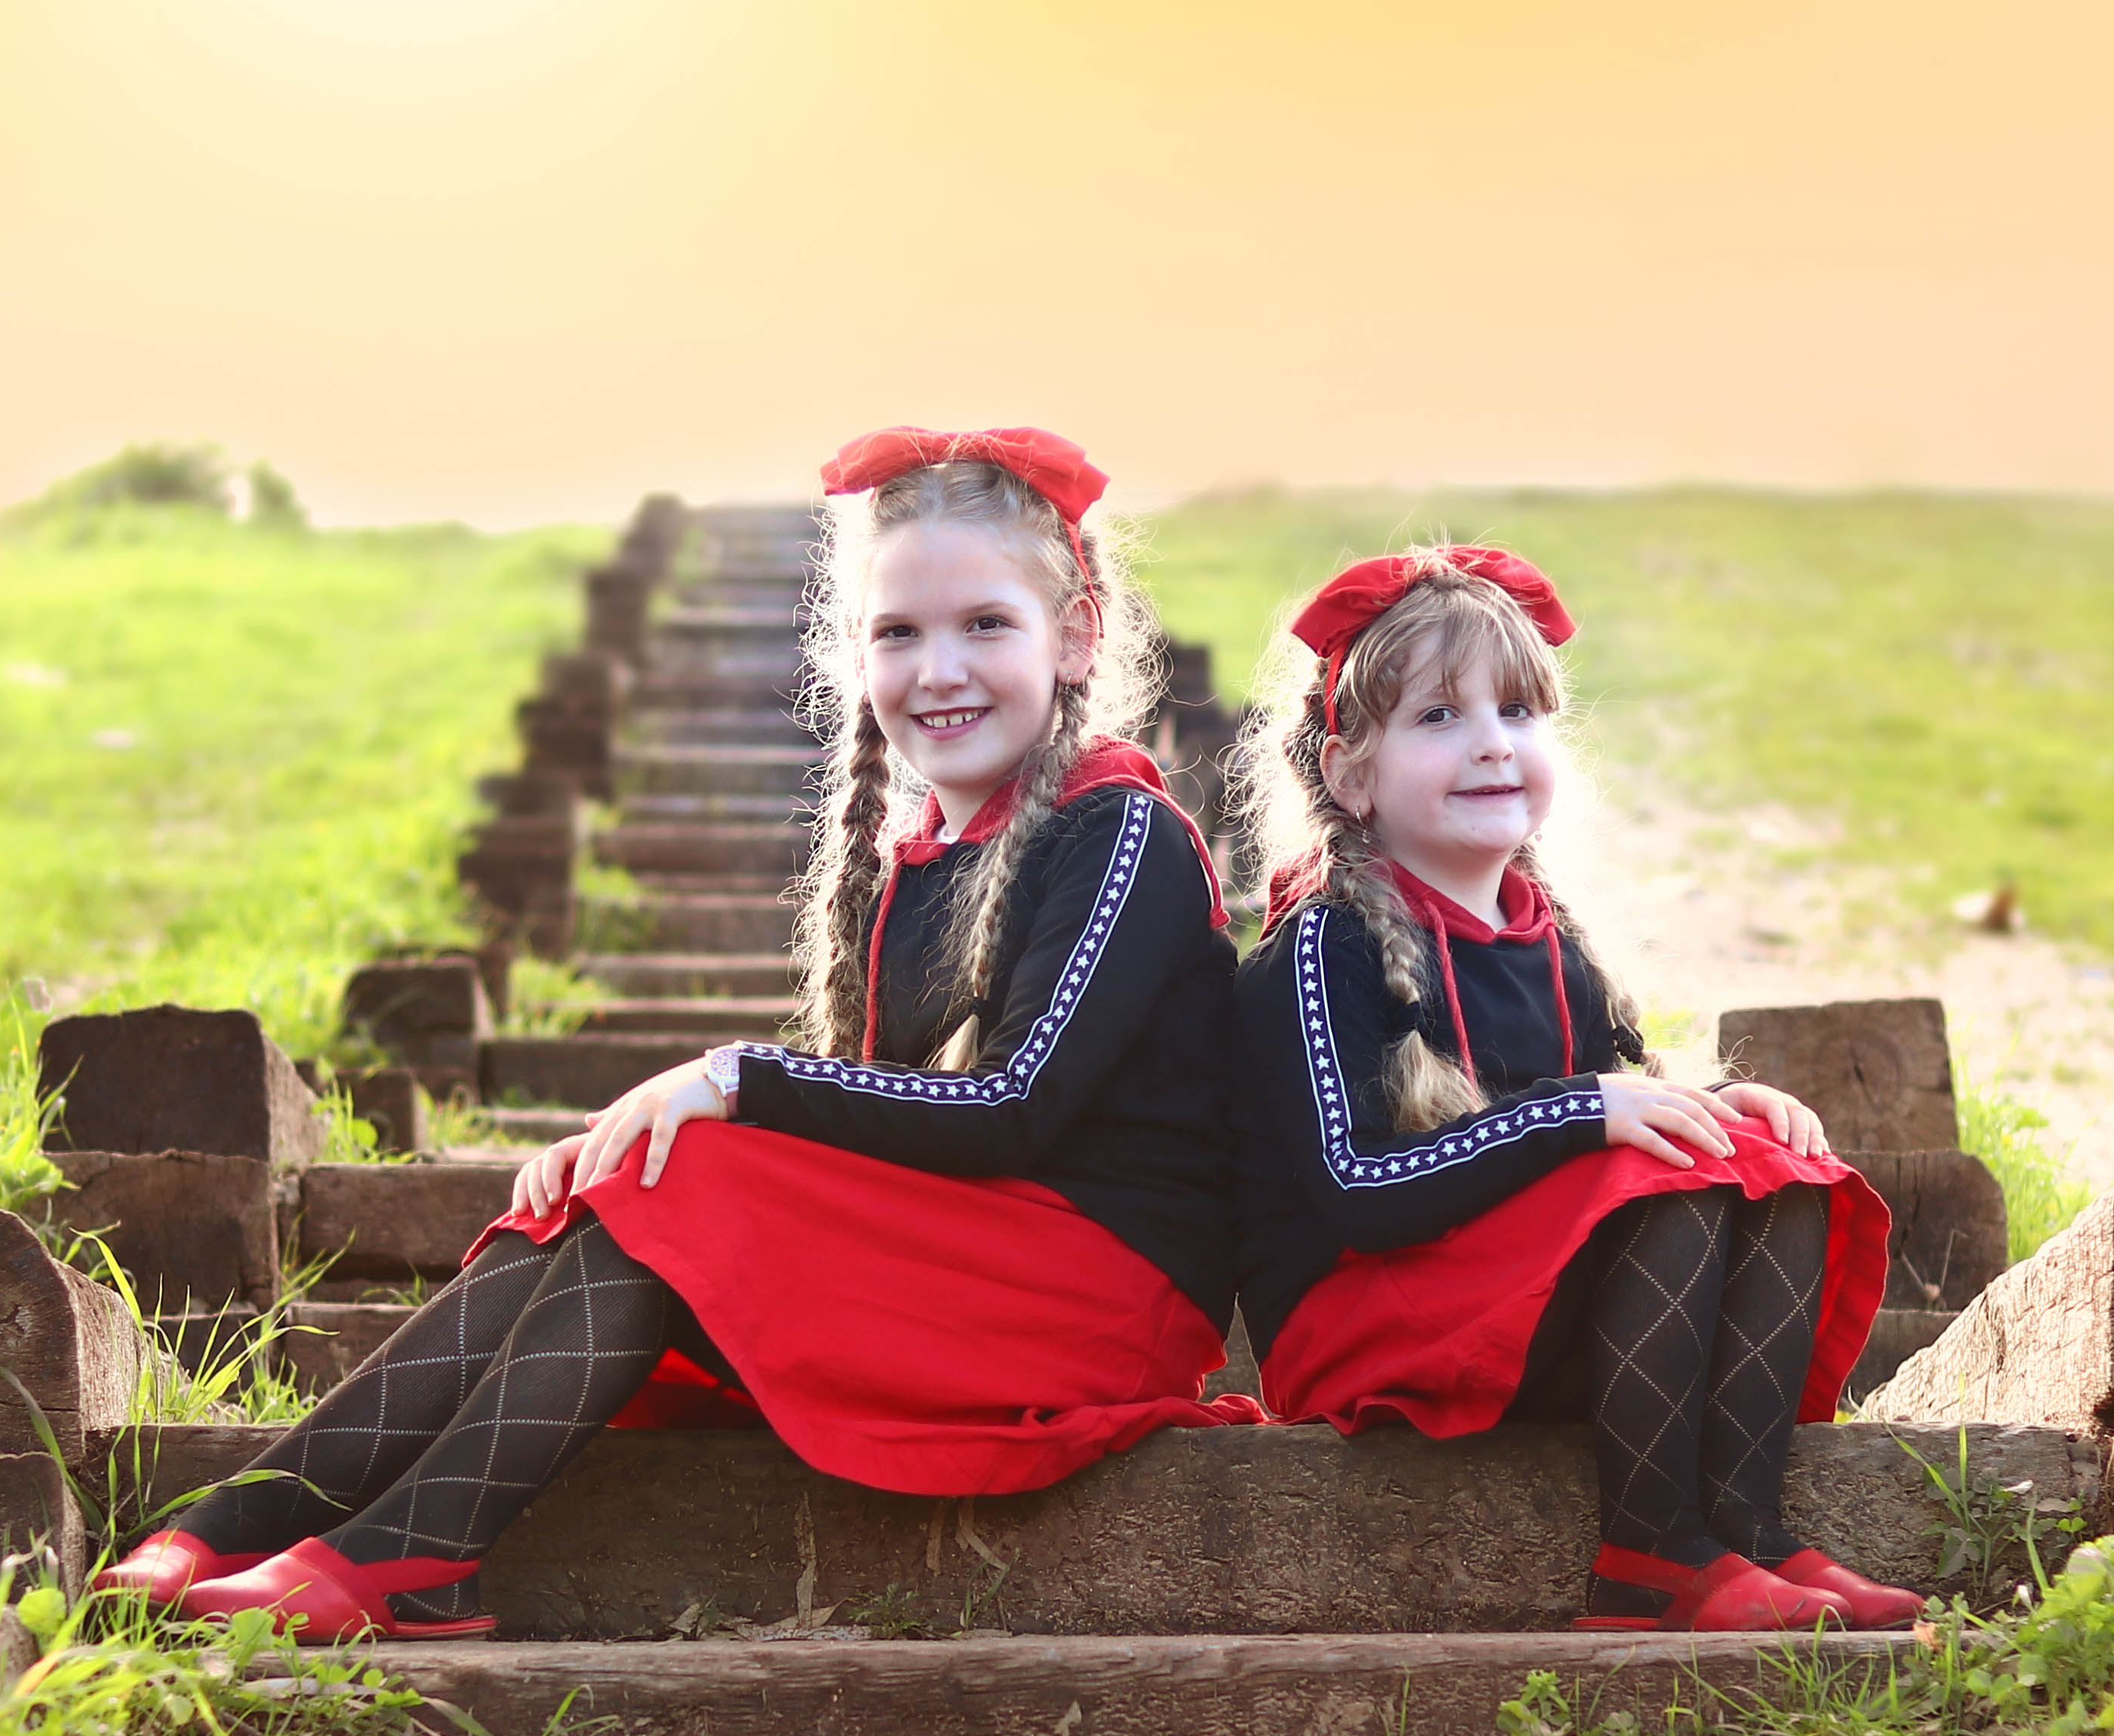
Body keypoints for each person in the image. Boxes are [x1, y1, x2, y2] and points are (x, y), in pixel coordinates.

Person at [92, 427, 1248, 1639]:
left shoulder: (1124, 832)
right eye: (899, 632)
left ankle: (402, 1551)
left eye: (986, 625)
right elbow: (879, 1135)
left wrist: (731, 1078)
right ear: (857, 654)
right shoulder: (927, 861)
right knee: (649, 1170)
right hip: (991, 1261)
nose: (938, 668)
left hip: (1104, 1297)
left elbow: (1013, 1107)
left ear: (1077, 636)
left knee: (695, 1160)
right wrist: (628, 1157)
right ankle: (254, 1514)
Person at [1226, 545, 1916, 1632]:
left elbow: (1605, 1126)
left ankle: (1746, 1532)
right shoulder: (1322, 945)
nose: (1492, 742)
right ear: (1351, 774)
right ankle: (1651, 1548)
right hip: (1364, 1319)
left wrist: (1714, 1107)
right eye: (1439, 716)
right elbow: (1358, 1186)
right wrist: (1584, 1111)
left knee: (1760, 1167)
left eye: (1517, 711)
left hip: (1519, 1304)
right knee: (1655, 1175)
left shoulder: (1560, 945)